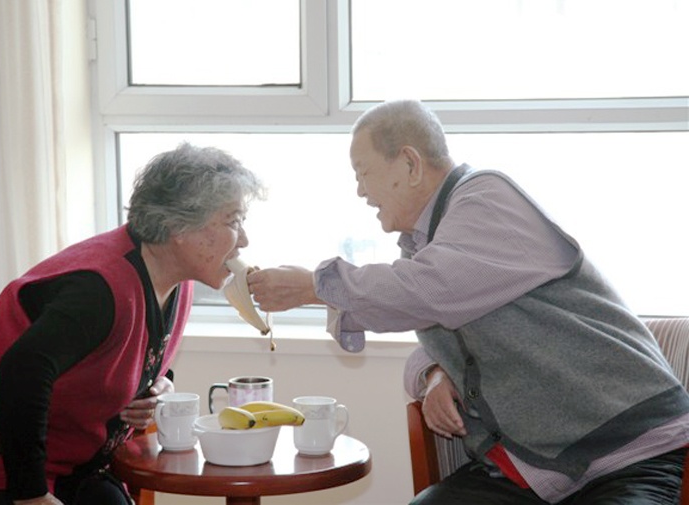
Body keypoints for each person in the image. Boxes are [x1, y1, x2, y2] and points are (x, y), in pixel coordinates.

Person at [247, 99, 689, 504]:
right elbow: (434, 330)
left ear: (409, 163)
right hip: (539, 469)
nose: (361, 191)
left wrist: (314, 285)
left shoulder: (487, 200)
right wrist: (436, 372)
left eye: (363, 172)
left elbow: (424, 291)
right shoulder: (429, 245)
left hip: (628, 452)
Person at [0, 143, 266, 505]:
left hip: (71, 462)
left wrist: (156, 387)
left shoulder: (175, 279)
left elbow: (135, 351)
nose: (245, 240)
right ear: (178, 226)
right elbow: (21, 371)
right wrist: (31, 495)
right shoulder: (99, 288)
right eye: (233, 221)